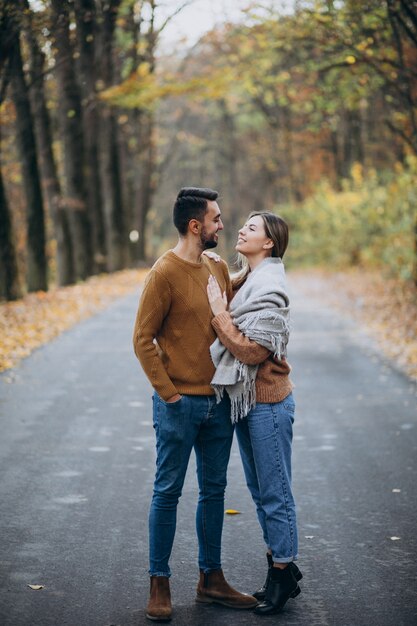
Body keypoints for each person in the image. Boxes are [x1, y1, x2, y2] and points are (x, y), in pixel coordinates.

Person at [132, 187, 258, 622]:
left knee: (214, 492)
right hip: (179, 404)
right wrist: (169, 394)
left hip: (219, 403)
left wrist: (265, 260)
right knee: (167, 491)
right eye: (217, 219)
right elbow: (141, 339)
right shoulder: (163, 273)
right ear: (195, 225)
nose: (222, 225)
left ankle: (211, 580)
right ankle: (159, 582)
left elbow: (236, 294)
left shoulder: (217, 266)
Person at [206, 211, 302, 616]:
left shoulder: (271, 285)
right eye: (243, 223)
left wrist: (219, 314)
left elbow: (253, 350)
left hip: (269, 403)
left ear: (269, 243)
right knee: (262, 492)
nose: (241, 229)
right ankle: (280, 570)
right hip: (248, 400)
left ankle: (282, 573)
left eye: (252, 227)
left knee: (275, 493)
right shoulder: (246, 278)